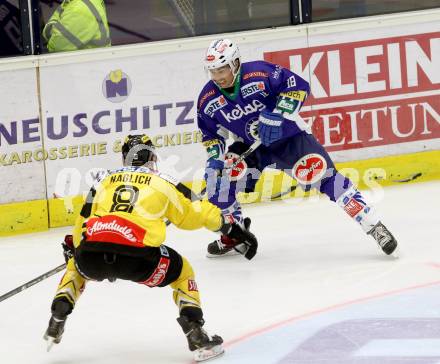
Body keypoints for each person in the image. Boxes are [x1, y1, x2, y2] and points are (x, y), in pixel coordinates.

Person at [43, 134, 257, 362]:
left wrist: (76, 249)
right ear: (152, 156)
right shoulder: (165, 180)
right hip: (138, 259)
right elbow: (195, 216)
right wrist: (232, 231)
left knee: (76, 267)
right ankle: (196, 334)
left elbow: (81, 224)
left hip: (92, 252)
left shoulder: (103, 180)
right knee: (183, 272)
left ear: (125, 158)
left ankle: (59, 312)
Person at [197, 38, 398, 258]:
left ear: (235, 63)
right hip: (251, 147)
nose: (218, 77)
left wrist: (278, 115)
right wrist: (214, 159)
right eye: (213, 71)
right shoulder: (208, 98)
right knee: (219, 183)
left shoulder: (260, 73)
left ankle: (374, 226)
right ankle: (235, 236)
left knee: (330, 180)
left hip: (291, 139)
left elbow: (298, 86)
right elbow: (210, 135)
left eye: (222, 69)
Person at [42, 0, 111, 52]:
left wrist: (54, 29)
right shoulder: (72, 2)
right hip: (90, 65)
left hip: (84, 67)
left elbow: (57, 47)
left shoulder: (78, 8)